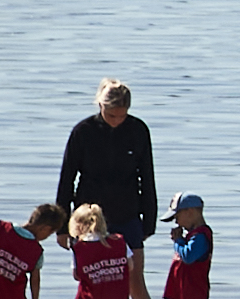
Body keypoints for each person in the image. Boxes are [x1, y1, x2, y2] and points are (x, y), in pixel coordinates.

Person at [50, 80, 162, 259]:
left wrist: (149, 223)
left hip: (127, 215)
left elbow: (147, 178)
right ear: (100, 105)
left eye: (122, 116)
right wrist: (62, 227)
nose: (117, 121)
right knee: (91, 276)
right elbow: (66, 180)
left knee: (134, 279)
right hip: (89, 219)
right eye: (111, 116)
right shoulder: (83, 132)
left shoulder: (138, 130)